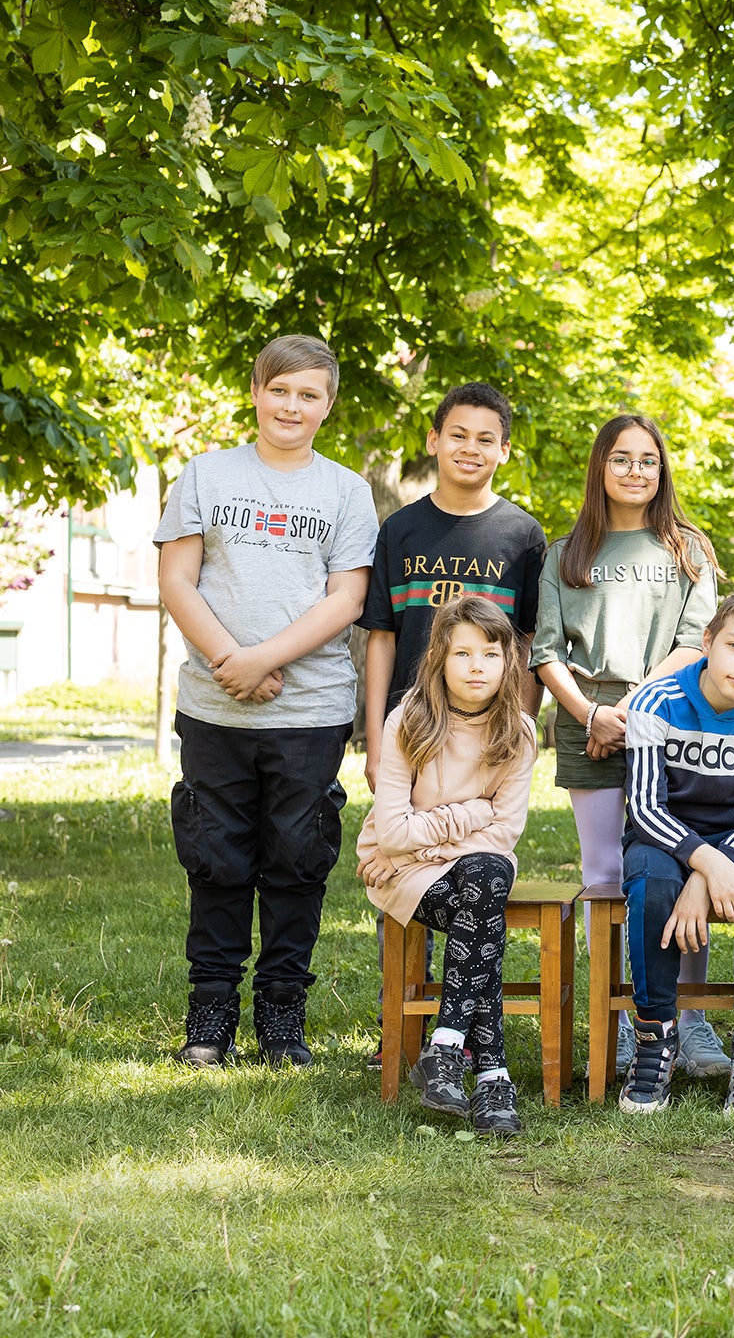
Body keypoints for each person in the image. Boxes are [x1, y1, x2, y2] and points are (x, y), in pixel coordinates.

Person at [155, 334, 379, 1068]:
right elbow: (177, 580)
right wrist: (230, 662)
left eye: (308, 393)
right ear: (255, 392)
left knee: (298, 860)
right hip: (216, 709)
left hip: (309, 711)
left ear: (328, 404)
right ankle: (210, 1014)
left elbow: (347, 597)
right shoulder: (204, 474)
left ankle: (283, 1016)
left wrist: (263, 660)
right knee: (216, 860)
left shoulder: (345, 491)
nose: (292, 405)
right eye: (279, 390)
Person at [357, 382, 547, 1067]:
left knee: (474, 873)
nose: (471, 448)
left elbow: (523, 644)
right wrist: (377, 737)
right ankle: (397, 1031)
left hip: (486, 734)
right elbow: (379, 636)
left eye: (486, 438)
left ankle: (458, 1037)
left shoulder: (522, 535)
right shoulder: (401, 529)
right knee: (407, 866)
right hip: (415, 730)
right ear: (434, 441)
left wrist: (516, 728)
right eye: (458, 434)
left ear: (504, 450)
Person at [532, 413, 722, 1083]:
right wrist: (592, 714)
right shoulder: (566, 553)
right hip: (590, 730)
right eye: (622, 459)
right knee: (606, 874)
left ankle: (689, 1018)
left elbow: (698, 644)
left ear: (662, 469)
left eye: (648, 459)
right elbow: (546, 651)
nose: (636, 471)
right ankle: (618, 1022)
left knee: (678, 867)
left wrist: (634, 707)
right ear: (600, 467)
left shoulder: (689, 549)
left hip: (672, 722)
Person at [357, 596, 539, 1136]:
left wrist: (431, 837)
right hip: (402, 869)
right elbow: (391, 832)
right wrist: (470, 815)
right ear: (440, 656)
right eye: (463, 653)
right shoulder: (408, 720)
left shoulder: (518, 732)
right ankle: (491, 1075)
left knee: (485, 879)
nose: (477, 666)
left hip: (458, 866)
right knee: (483, 906)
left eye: (490, 653)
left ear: (509, 660)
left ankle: (446, 1047)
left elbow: (506, 830)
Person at [618, 591, 734, 1117]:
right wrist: (704, 862)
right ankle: (654, 1042)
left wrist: (710, 871)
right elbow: (646, 808)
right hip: (664, 837)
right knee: (652, 888)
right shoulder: (658, 702)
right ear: (708, 643)